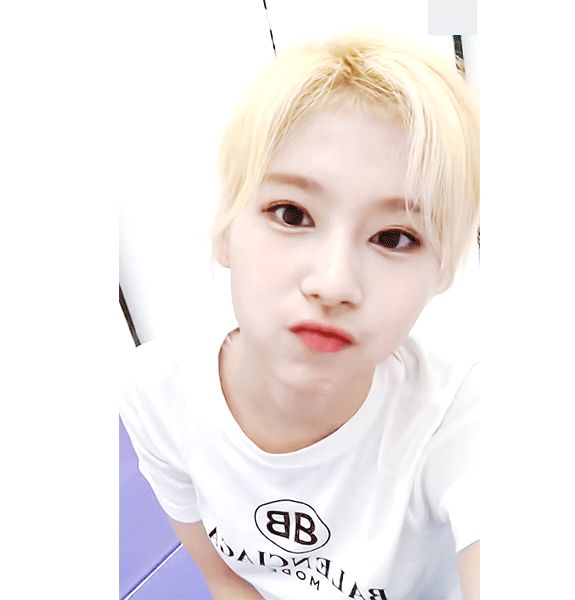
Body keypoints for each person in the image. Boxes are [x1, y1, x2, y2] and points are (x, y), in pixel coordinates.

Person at [121, 29, 480, 600]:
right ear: (225, 232)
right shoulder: (157, 393)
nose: (333, 284)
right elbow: (225, 577)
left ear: (440, 273)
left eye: (394, 237)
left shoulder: (460, 414)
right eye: (291, 214)